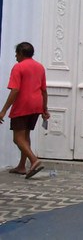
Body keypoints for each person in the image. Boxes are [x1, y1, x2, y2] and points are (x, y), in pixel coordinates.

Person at [0, 42, 49, 179]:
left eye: (16, 53)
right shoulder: (40, 67)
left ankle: (34, 160)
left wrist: (3, 110)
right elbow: (44, 90)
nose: (15, 56)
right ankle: (22, 166)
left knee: (18, 138)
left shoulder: (18, 67)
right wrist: (44, 109)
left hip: (23, 104)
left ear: (21, 53)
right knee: (26, 136)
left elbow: (15, 90)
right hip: (36, 104)